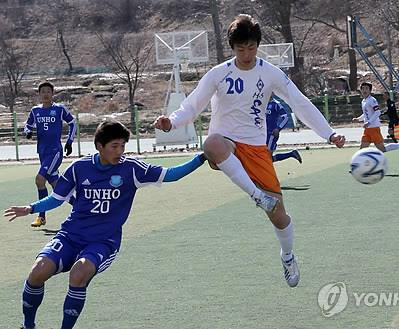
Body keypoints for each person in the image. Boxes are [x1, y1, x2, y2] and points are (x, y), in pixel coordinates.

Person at [154, 14, 345, 288]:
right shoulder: (219, 73)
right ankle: (257, 196)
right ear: (232, 48)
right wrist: (171, 121)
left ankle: (288, 255)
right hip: (226, 143)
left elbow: (299, 102)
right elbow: (193, 105)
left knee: (280, 217)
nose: (246, 54)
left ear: (258, 45)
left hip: (256, 148)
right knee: (211, 144)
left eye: (251, 47)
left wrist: (329, 133)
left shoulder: (270, 73)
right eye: (240, 48)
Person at [4, 120, 207, 329]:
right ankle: (28, 326)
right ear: (100, 146)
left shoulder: (131, 169)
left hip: (103, 242)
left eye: (123, 146)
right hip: (70, 236)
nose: (120, 151)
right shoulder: (80, 168)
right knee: (38, 270)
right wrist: (30, 208)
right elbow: (57, 198)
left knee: (78, 273)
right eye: (114, 146)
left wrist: (202, 158)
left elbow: (171, 174)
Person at [24, 81, 76, 228]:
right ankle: (81, 207)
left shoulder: (59, 109)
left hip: (55, 152)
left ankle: (41, 216)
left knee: (40, 180)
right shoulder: (35, 111)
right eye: (43, 91)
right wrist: (28, 132)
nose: (46, 94)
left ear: (52, 94)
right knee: (58, 187)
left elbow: (72, 122)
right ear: (39, 94)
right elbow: (27, 125)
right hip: (42, 152)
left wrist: (69, 141)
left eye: (48, 91)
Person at [352, 82, 399, 154]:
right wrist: (358, 119)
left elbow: (377, 112)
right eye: (363, 88)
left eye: (366, 88)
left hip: (374, 128)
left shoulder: (372, 100)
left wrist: (369, 122)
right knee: (362, 150)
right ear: (361, 90)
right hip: (367, 129)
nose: (364, 90)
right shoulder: (363, 101)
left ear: (370, 91)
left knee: (382, 149)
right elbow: (366, 114)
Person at [266, 97, 302, 163]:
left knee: (267, 158)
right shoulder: (261, 102)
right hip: (261, 134)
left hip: (271, 134)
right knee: (266, 158)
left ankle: (291, 154)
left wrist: (278, 128)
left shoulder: (276, 104)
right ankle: (292, 154)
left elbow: (285, 117)